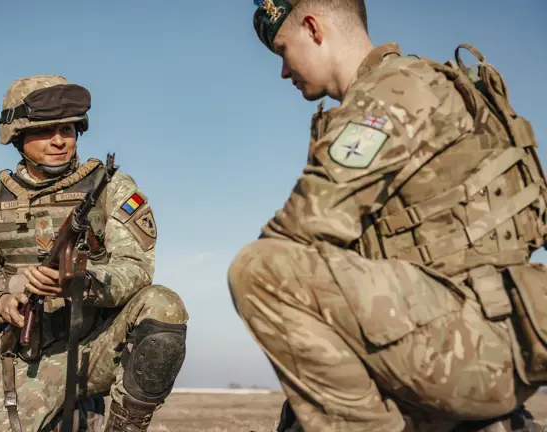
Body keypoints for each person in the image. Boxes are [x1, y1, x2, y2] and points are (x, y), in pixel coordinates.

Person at [229, 1, 547, 431]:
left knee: (260, 270)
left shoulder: (391, 92)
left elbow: (300, 228)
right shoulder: (426, 81)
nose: (284, 71)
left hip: (472, 349)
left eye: (283, 50)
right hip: (501, 337)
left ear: (313, 27)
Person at [0, 75, 189, 432]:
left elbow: (135, 268)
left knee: (163, 304)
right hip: (32, 359)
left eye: (69, 129)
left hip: (99, 348)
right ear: (17, 135)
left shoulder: (109, 187)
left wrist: (84, 282)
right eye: (45, 130)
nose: (60, 140)